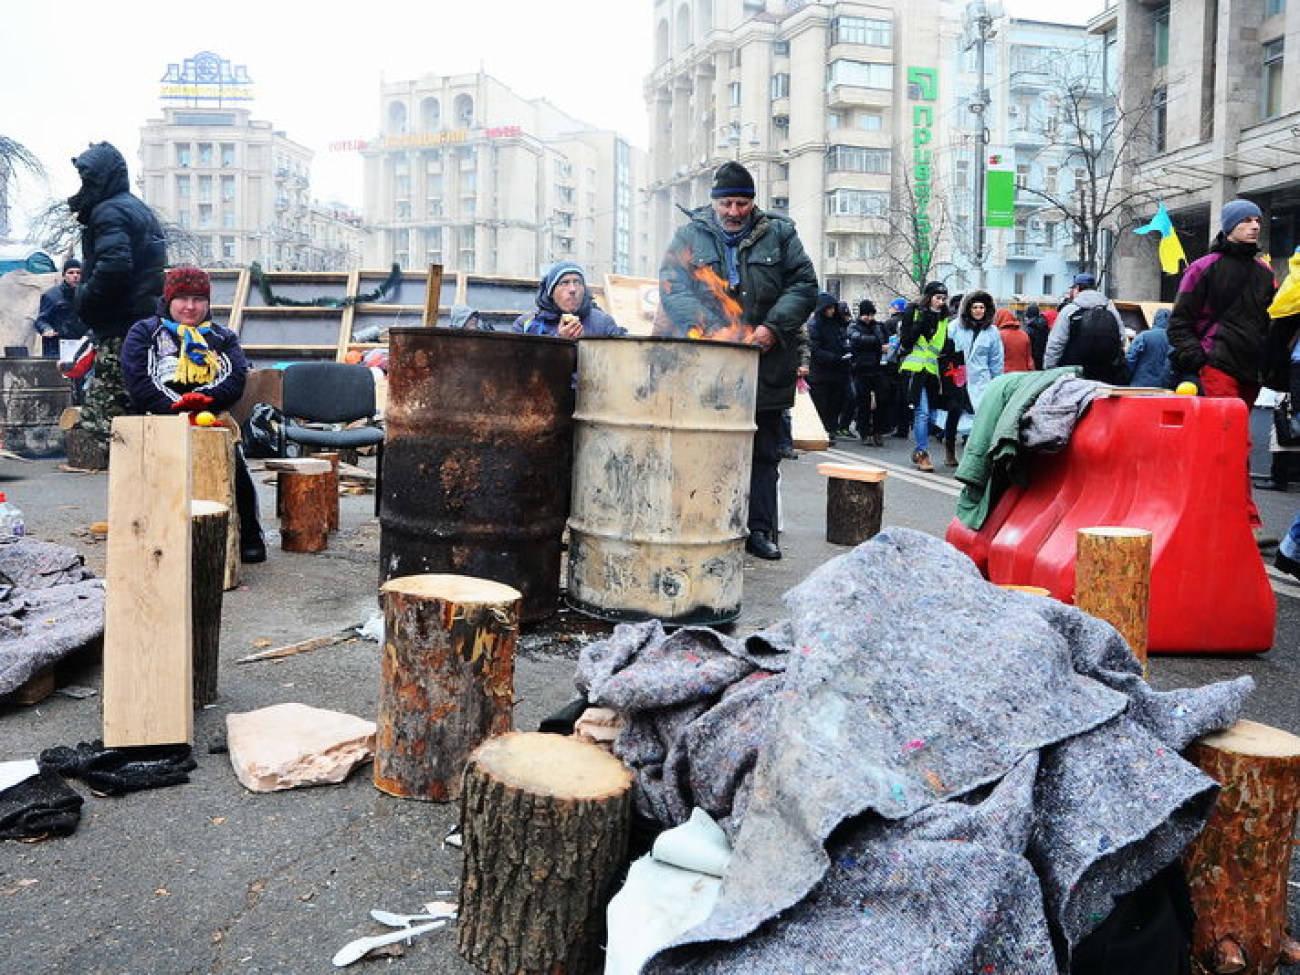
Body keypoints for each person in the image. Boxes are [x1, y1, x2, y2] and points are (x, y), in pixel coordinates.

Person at [659, 160, 818, 560]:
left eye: (742, 204)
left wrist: (772, 329)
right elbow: (673, 286)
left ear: (752, 203)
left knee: (764, 451)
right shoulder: (689, 236)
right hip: (710, 364)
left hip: (767, 362)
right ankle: (705, 523)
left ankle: (760, 531)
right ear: (714, 203)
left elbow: (803, 284)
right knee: (705, 447)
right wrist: (715, 330)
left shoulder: (781, 234)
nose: (734, 212)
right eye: (727, 203)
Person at [120, 266, 266, 563]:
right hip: (158, 417)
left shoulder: (221, 337)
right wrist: (178, 407)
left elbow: (235, 377)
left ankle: (249, 534)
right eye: (183, 298)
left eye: (199, 299)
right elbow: (140, 380)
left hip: (210, 417)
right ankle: (152, 539)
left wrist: (205, 401)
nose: (190, 307)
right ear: (169, 299)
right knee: (154, 480)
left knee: (236, 470)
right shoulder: (145, 332)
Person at [1168, 199, 1283, 537]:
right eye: (1246, 220)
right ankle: (1244, 519)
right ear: (1229, 225)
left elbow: (1272, 322)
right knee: (1234, 441)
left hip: (1250, 370)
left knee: (1225, 444)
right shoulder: (1204, 267)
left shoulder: (1265, 273)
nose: (1255, 226)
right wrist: (1199, 359)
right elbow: (1179, 323)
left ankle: (1209, 512)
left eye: (1258, 220)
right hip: (1217, 366)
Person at [67, 142, 168, 460]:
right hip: (138, 315)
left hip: (119, 320)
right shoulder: (132, 206)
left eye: (88, 178)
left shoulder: (109, 210)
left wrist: (86, 299)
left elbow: (114, 266)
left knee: (106, 413)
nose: (84, 186)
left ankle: (111, 478)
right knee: (131, 395)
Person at [942, 291, 1005, 467]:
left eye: (982, 307)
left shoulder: (992, 332)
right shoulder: (955, 327)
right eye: (975, 307)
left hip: (981, 379)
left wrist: (997, 383)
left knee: (980, 417)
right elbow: (945, 351)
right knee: (954, 412)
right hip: (958, 375)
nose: (978, 311)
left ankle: (974, 454)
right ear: (968, 309)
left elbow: (996, 360)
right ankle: (949, 448)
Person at [897, 280, 952, 473]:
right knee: (922, 412)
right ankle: (922, 453)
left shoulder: (944, 318)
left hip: (933, 372)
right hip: (914, 369)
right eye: (938, 298)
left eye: (944, 298)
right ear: (929, 298)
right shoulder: (914, 312)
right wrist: (920, 324)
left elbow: (942, 346)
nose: (941, 302)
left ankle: (919, 450)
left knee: (933, 417)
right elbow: (905, 341)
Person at [1044, 273, 1126, 381]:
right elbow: (1122, 338)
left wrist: (1049, 370)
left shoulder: (1069, 310)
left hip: (1075, 374)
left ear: (1077, 289)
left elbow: (1056, 344)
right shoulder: (1109, 308)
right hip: (1105, 373)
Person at [512, 261, 625, 338]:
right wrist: (560, 342)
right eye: (564, 283)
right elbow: (523, 368)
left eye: (577, 282)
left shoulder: (602, 323)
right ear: (551, 292)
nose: (573, 289)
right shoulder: (527, 325)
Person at [807, 292, 852, 441]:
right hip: (821, 373)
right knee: (822, 404)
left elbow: (842, 340)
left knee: (834, 404)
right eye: (829, 308)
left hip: (837, 372)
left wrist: (846, 352)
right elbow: (815, 350)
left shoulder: (835, 323)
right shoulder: (815, 325)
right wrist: (835, 357)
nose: (832, 311)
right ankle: (821, 432)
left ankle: (830, 430)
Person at [847, 299, 889, 446]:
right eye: (867, 315)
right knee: (863, 403)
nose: (870, 318)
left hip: (877, 368)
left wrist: (877, 343)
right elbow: (856, 341)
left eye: (871, 315)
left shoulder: (878, 326)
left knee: (882, 401)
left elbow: (884, 341)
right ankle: (865, 432)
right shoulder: (854, 326)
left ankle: (878, 431)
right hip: (861, 369)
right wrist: (876, 343)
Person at [34, 258, 85, 358]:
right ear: (64, 275)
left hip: (81, 346)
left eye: (78, 273)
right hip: (56, 348)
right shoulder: (52, 296)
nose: (75, 276)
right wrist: (46, 329)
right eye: (70, 272)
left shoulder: (86, 296)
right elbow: (41, 320)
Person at [1126, 307, 1174, 389]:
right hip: (1164, 390)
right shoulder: (1174, 340)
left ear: (1155, 320)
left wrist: (1126, 378)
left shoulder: (1143, 336)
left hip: (1139, 387)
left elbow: (1130, 359)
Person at [995, 306, 1034, 373]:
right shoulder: (1024, 334)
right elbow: (1029, 359)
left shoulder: (999, 335)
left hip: (1005, 375)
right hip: (1023, 374)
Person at [1024, 302, 1051, 371]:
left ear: (1028, 314)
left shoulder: (1028, 329)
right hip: (1043, 357)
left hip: (1032, 359)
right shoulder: (1045, 326)